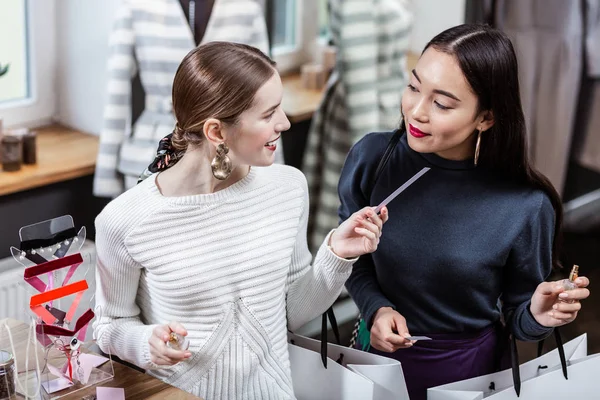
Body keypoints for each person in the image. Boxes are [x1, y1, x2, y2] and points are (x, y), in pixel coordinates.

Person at [93, 41, 388, 400]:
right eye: (269, 114)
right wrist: (144, 342)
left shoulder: (288, 187)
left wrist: (337, 254)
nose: (285, 122)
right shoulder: (124, 220)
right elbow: (110, 325)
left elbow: (291, 313)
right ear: (216, 132)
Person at [339, 24, 591, 400]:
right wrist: (376, 308)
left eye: (441, 103)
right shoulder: (373, 158)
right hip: (373, 360)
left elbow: (521, 319)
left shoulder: (525, 205)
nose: (416, 112)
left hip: (467, 376)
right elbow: (347, 259)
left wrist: (540, 315)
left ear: (486, 117)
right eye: (413, 86)